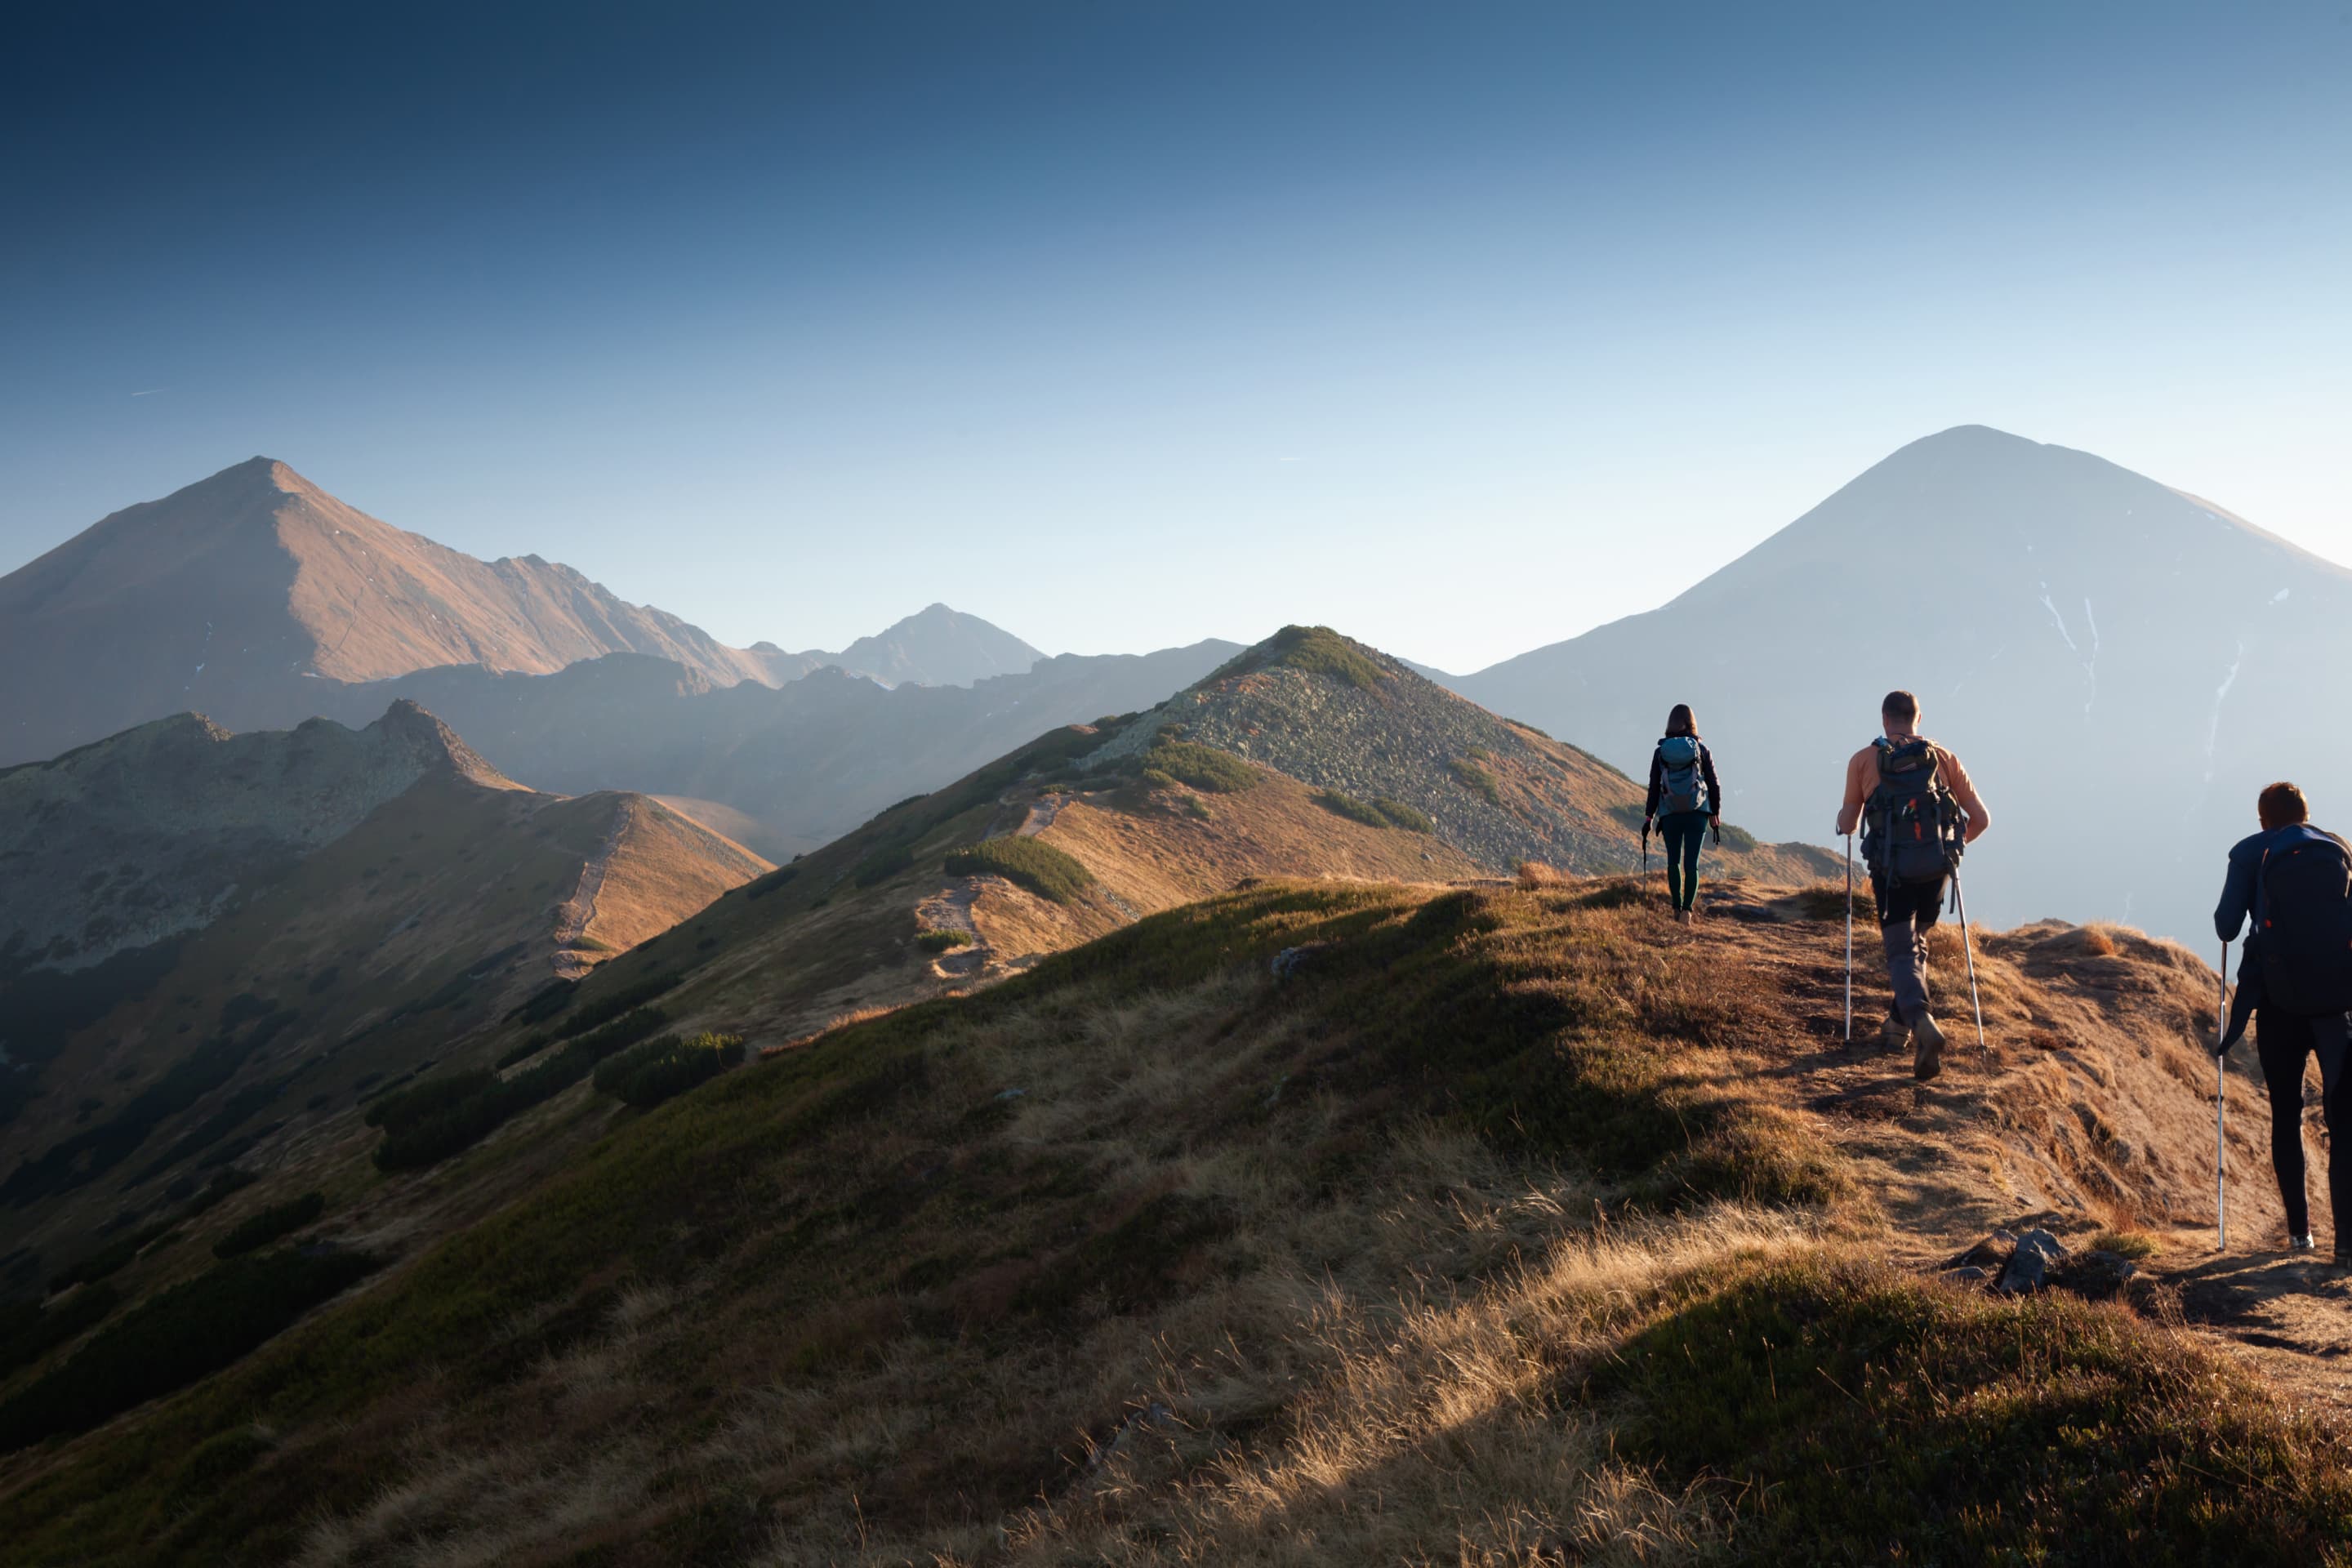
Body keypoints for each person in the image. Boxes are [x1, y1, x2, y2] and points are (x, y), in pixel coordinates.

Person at [2213, 781, 2352, 1258]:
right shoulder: (2338, 849)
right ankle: (2348, 1247)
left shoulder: (2251, 852)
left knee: (2287, 1116)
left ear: (2263, 820)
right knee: (2345, 1121)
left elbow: (2226, 926)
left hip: (2279, 1003)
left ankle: (2300, 1236)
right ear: (2307, 814)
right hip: (2338, 1005)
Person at [1833, 690, 1990, 1080]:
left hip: (1893, 872)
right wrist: (1948, 850)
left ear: (1885, 718)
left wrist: (1843, 821)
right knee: (1917, 945)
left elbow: (1850, 823)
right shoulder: (1943, 758)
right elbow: (1981, 818)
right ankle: (1897, 1026)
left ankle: (1921, 1023)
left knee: (1902, 953)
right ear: (1918, 718)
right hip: (1935, 872)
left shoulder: (1864, 760)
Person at [1643, 703, 1721, 924]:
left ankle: (1676, 907)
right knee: (1691, 864)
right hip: (1697, 812)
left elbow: (1654, 786)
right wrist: (1715, 812)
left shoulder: (1661, 752)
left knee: (1673, 862)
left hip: (1669, 814)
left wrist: (1649, 818)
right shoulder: (1701, 749)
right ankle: (1687, 910)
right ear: (1692, 723)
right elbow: (1714, 784)